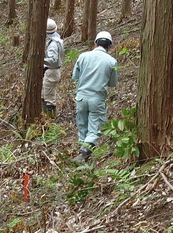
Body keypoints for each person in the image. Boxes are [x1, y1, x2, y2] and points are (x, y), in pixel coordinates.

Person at [72, 30, 118, 162]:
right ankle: (85, 154)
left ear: (95, 43)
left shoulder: (83, 56)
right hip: (97, 99)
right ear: (109, 45)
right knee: (94, 128)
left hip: (81, 97)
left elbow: (75, 77)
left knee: (82, 126)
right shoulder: (112, 62)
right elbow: (113, 83)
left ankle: (82, 153)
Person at [42, 18, 65, 116]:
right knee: (45, 95)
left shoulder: (53, 45)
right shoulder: (58, 41)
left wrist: (41, 60)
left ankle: (50, 122)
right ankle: (44, 117)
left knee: (49, 99)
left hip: (51, 71)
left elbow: (53, 59)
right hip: (53, 71)